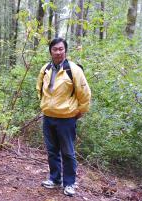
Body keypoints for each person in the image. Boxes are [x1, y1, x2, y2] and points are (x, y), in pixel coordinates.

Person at [36, 38, 91, 196]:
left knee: (67, 152)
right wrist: (45, 105)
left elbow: (85, 95)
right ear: (50, 51)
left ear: (65, 51)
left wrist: (78, 112)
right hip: (48, 117)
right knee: (52, 150)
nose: (58, 52)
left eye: (61, 49)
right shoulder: (45, 69)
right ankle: (54, 179)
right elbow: (39, 89)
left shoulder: (73, 70)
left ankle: (69, 183)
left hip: (66, 118)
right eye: (55, 49)